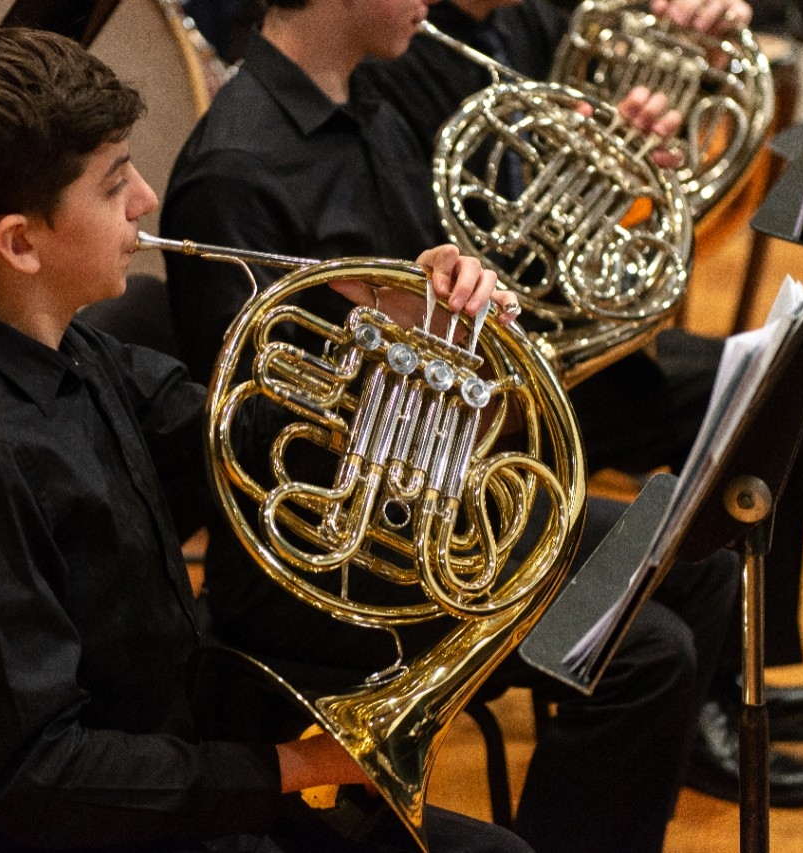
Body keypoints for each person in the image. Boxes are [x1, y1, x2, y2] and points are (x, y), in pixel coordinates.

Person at [0, 24, 536, 853]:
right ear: (20, 241)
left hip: (179, 778)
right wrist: (294, 766)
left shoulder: (71, 349)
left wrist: (404, 343)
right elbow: (41, 776)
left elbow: (245, 437)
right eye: (115, 184)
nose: (147, 199)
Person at [158, 0, 748, 849]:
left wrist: (485, 272)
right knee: (645, 651)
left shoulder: (375, 109)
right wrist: (399, 347)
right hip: (328, 557)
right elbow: (251, 446)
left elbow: (455, 297)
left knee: (694, 556)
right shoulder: (237, 171)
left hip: (433, 501)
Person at [352, 0, 803, 807]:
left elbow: (558, 180)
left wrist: (627, 159)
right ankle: (694, 693)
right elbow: (440, 255)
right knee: (678, 546)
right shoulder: (401, 57)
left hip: (573, 349)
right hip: (494, 391)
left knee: (789, 390)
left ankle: (734, 666)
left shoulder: (535, 20)